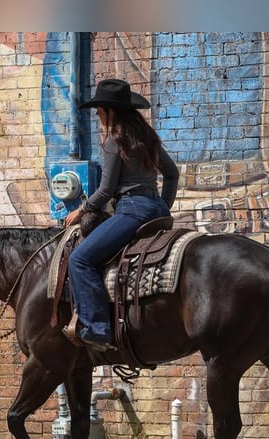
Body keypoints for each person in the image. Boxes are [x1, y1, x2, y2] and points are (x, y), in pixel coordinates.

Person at [64, 78, 179, 351]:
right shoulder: (147, 138)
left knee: (80, 260)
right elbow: (172, 174)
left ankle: (97, 329)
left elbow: (105, 191)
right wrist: (164, 206)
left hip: (132, 209)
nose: (97, 115)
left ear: (110, 111)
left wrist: (80, 211)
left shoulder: (115, 142)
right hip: (157, 209)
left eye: (99, 110)